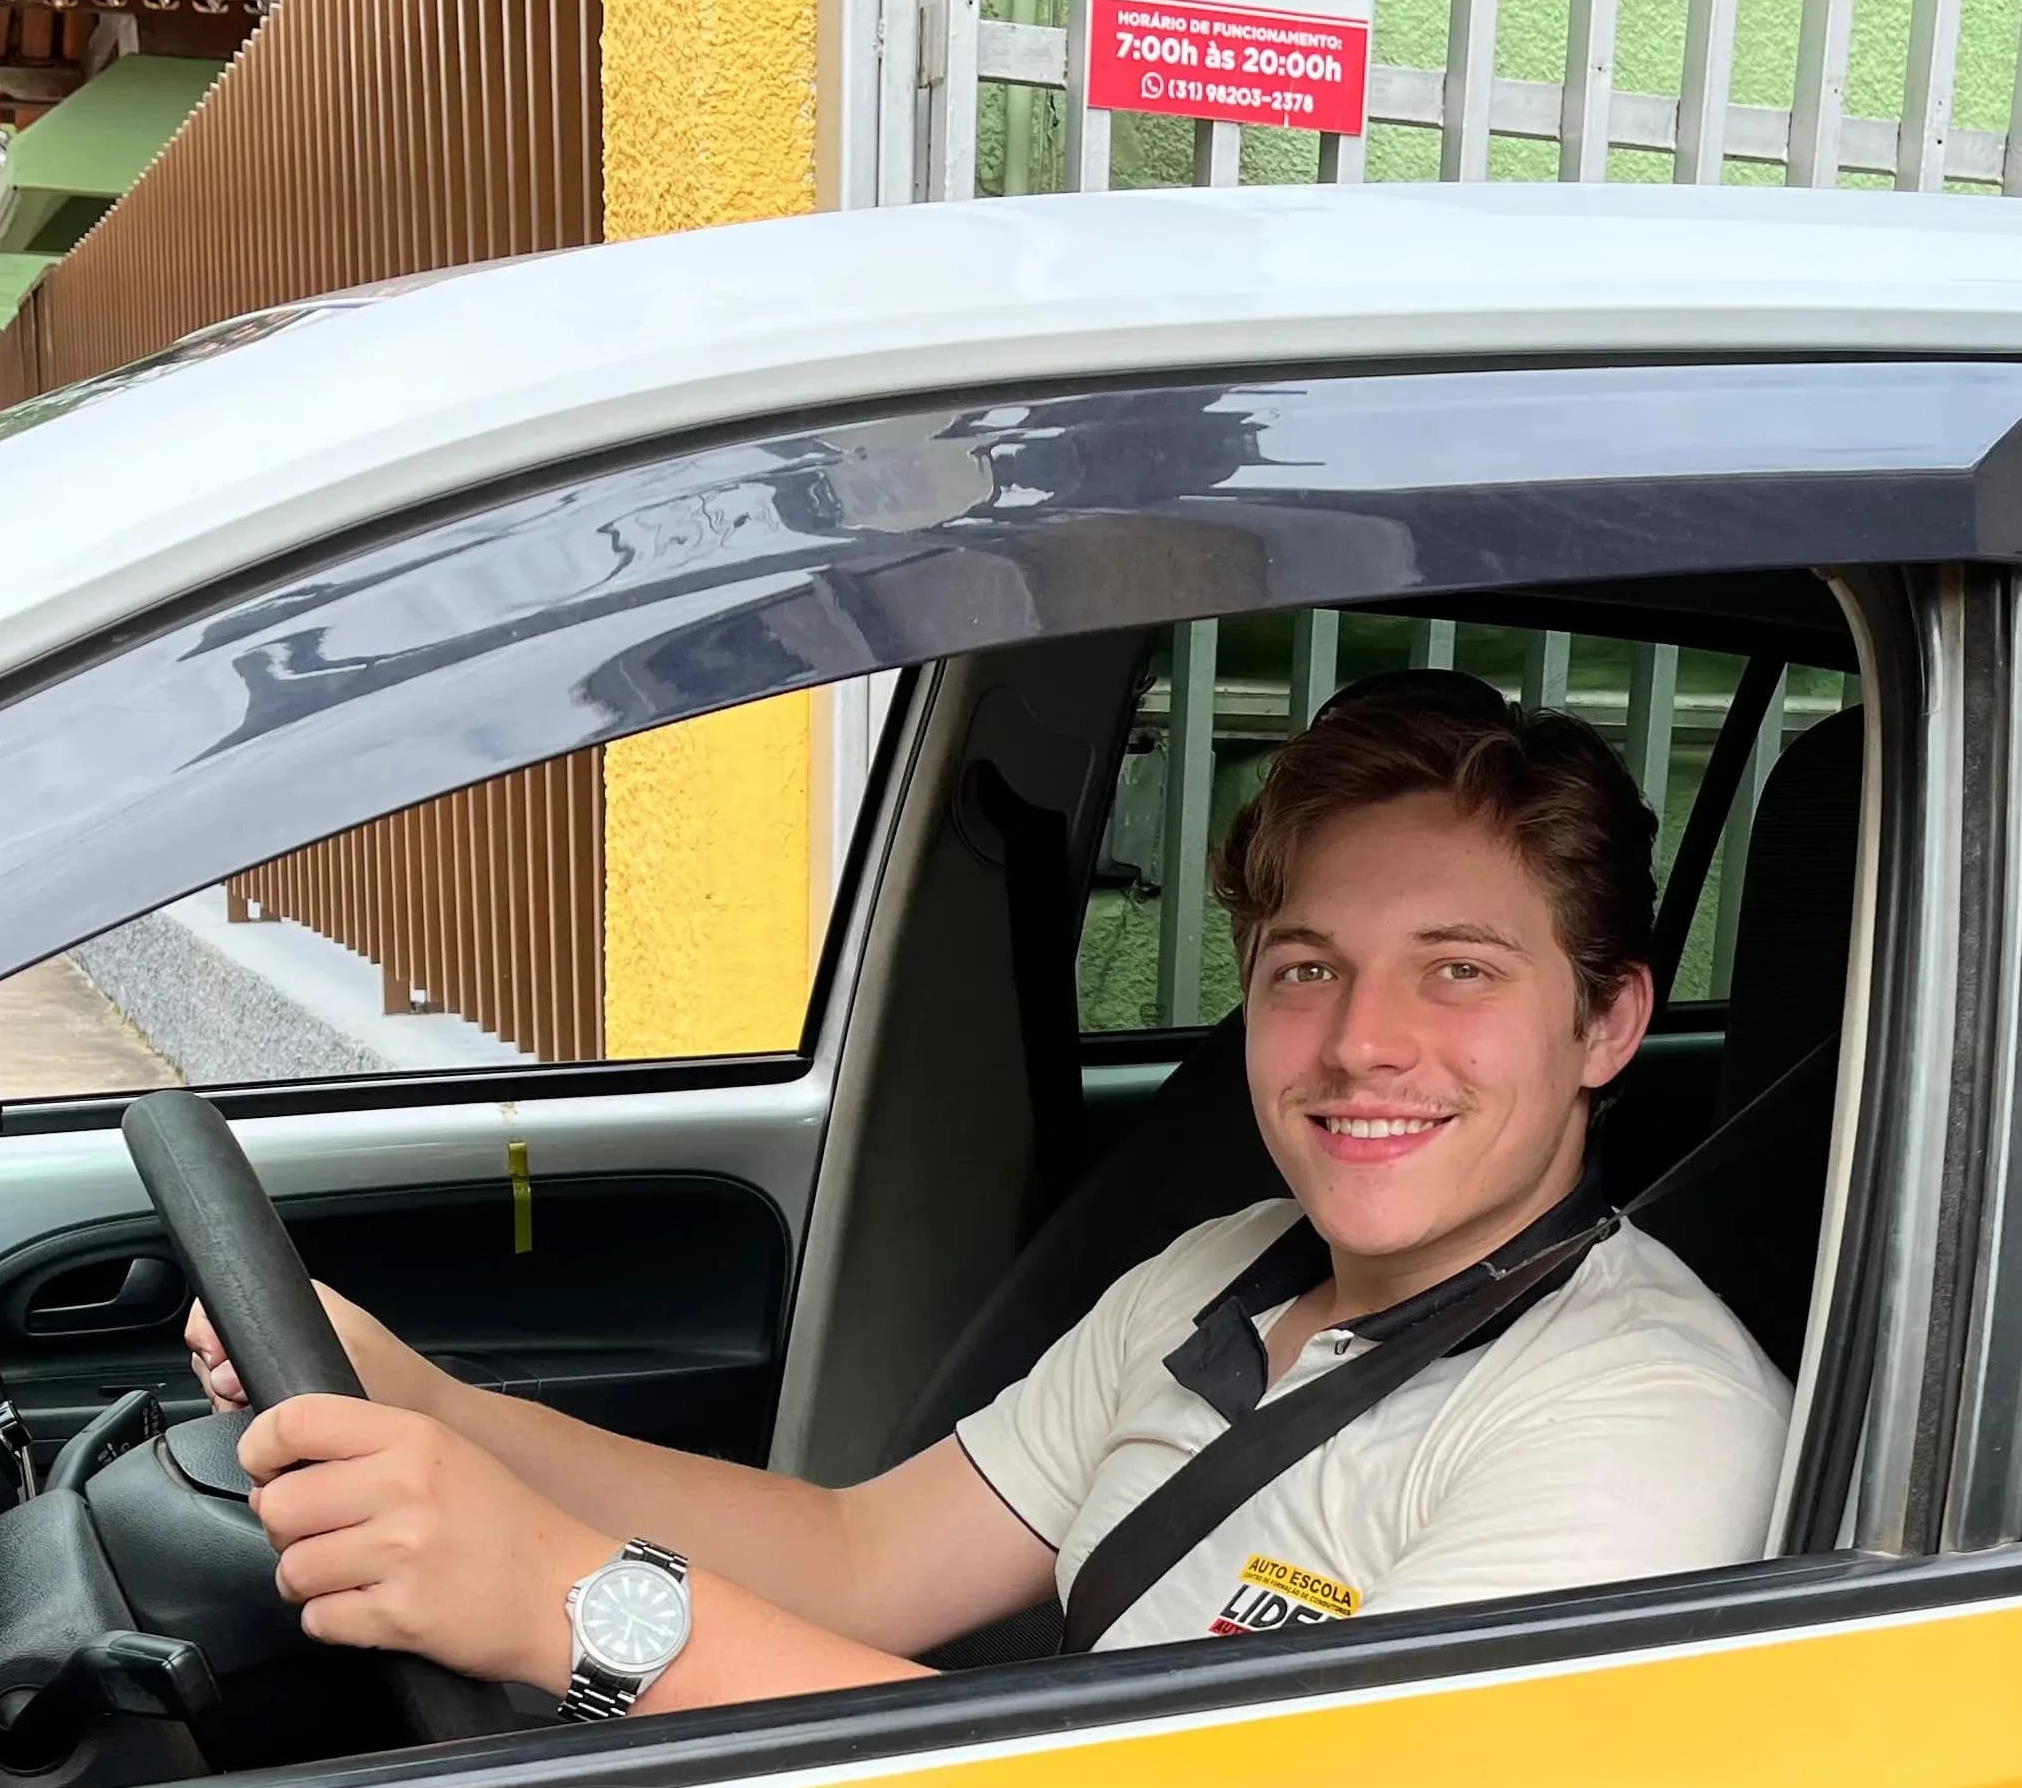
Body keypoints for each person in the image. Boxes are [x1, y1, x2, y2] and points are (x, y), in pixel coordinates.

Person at [192, 670, 1793, 1721]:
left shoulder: (1636, 1417)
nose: (1361, 1043)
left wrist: (571, 1607)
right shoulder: (1223, 1271)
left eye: (1459, 971)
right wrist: (438, 1407)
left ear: (1607, 1023)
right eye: (1306, 969)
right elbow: (854, 1558)